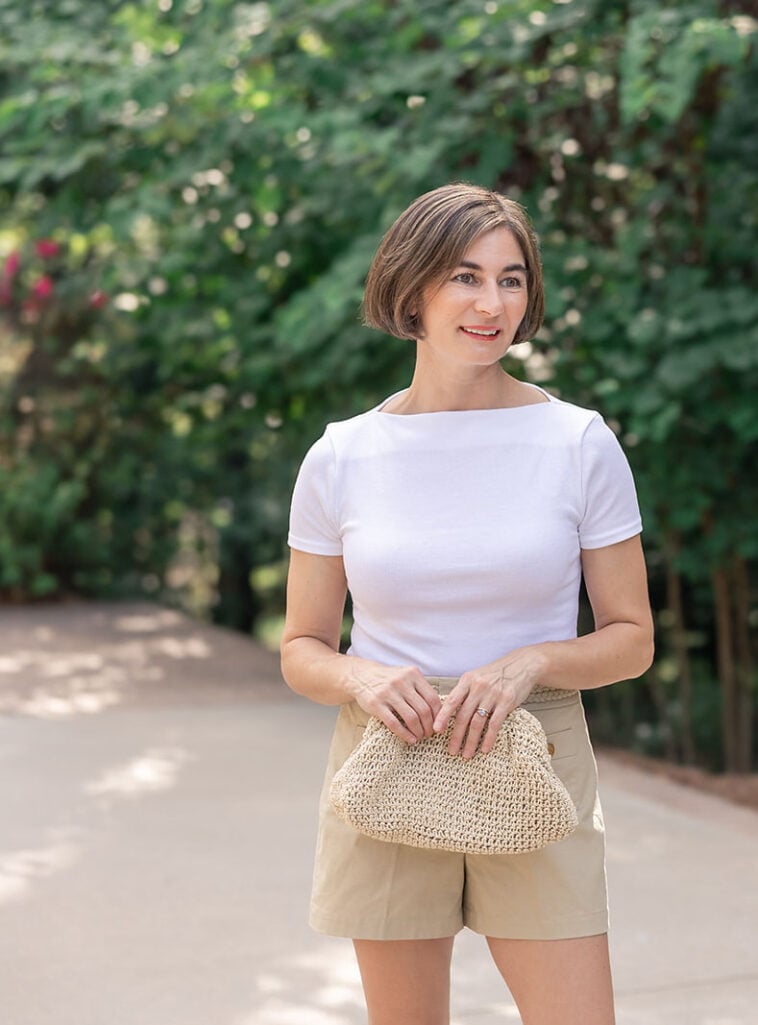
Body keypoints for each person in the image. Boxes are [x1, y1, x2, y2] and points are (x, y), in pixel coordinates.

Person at [280, 182, 654, 1025]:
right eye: (466, 276)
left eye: (512, 278)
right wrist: (365, 679)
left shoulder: (578, 442)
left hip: (534, 750)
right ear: (411, 288)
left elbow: (632, 638)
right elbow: (302, 646)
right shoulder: (342, 456)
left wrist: (534, 660)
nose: (494, 303)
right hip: (386, 752)